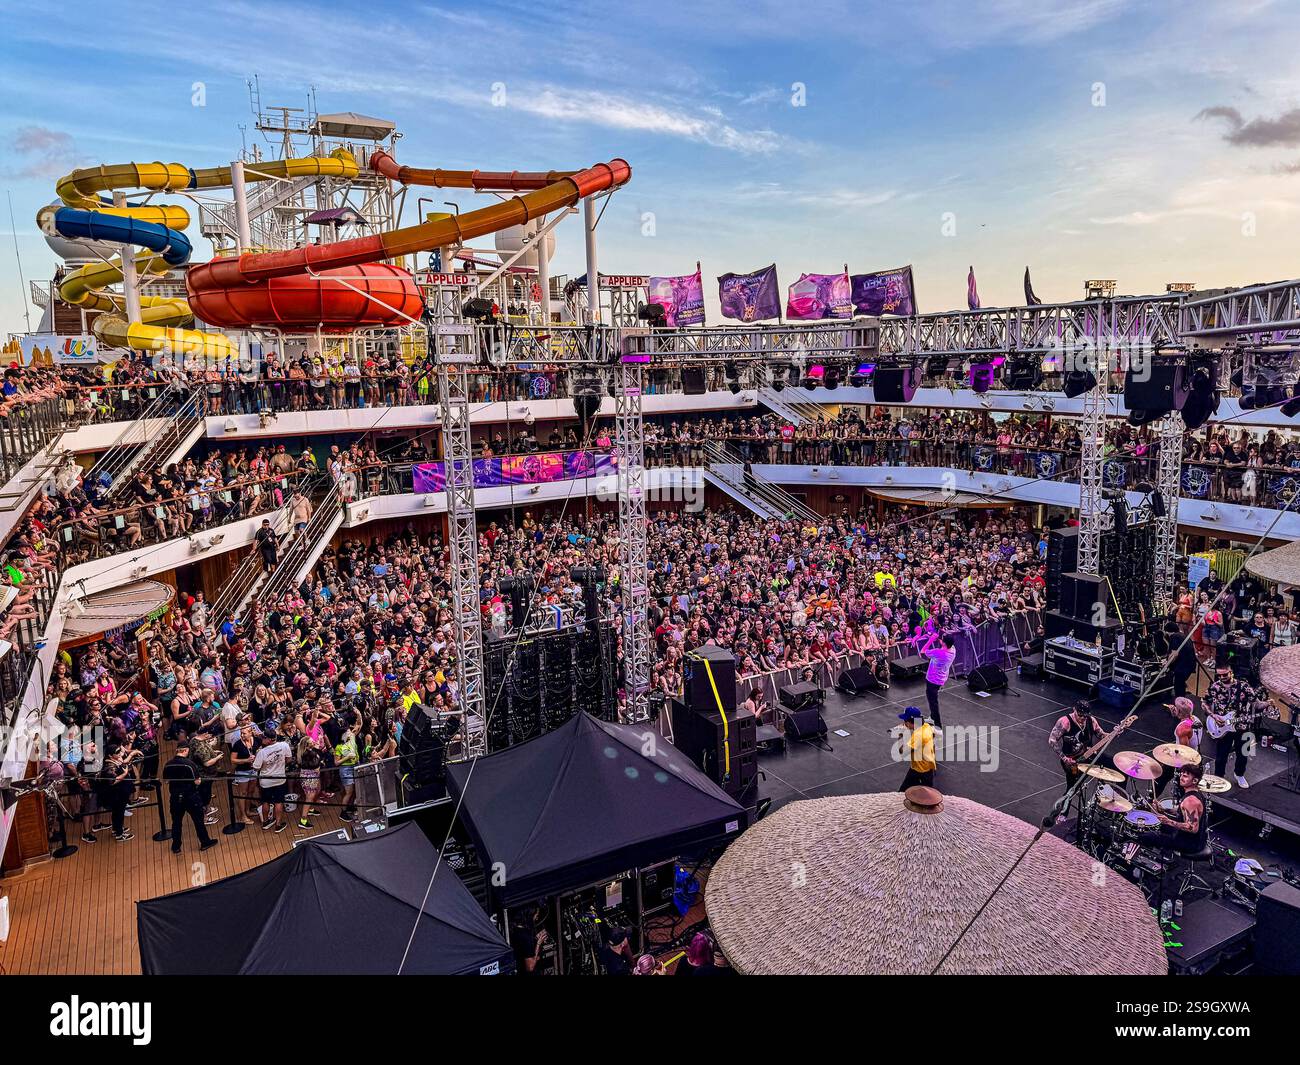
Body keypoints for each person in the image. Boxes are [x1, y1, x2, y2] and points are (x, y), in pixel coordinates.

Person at [1137, 764, 1208, 854]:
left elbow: (1193, 828)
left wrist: (1168, 821)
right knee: (1156, 826)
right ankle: (1162, 851)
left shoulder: (1190, 801)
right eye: (1181, 775)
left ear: (1195, 780)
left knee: (1146, 836)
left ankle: (1155, 860)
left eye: (1185, 776)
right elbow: (1181, 812)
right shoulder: (1194, 793)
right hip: (1192, 839)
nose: (1181, 778)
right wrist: (1163, 810)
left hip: (1190, 843)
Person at [162, 738, 217, 853]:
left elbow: (166, 781)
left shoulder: (168, 764)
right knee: (198, 821)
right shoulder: (189, 764)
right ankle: (204, 842)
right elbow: (197, 781)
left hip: (175, 798)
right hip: (190, 797)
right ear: (186, 751)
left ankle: (176, 846)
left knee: (176, 822)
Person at [253, 724, 292, 832]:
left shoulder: (262, 752)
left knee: (265, 801)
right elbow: (289, 760)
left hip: (266, 782)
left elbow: (256, 768)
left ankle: (265, 822)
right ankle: (278, 825)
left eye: (264, 737)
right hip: (280, 779)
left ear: (269, 739)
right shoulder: (284, 745)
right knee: (279, 802)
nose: (262, 739)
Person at [918, 631, 955, 729]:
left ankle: (938, 725)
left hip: (933, 679)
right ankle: (932, 717)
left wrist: (931, 640)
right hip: (942, 677)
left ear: (944, 643)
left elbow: (922, 651)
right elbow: (946, 643)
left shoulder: (939, 652)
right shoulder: (953, 650)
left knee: (933, 702)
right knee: (933, 699)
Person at [896, 706, 936, 790]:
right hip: (927, 768)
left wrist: (900, 735)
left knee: (903, 793)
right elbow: (933, 736)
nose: (904, 723)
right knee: (928, 795)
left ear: (910, 722)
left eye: (905, 721)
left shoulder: (918, 735)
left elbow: (902, 752)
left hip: (919, 770)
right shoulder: (926, 726)